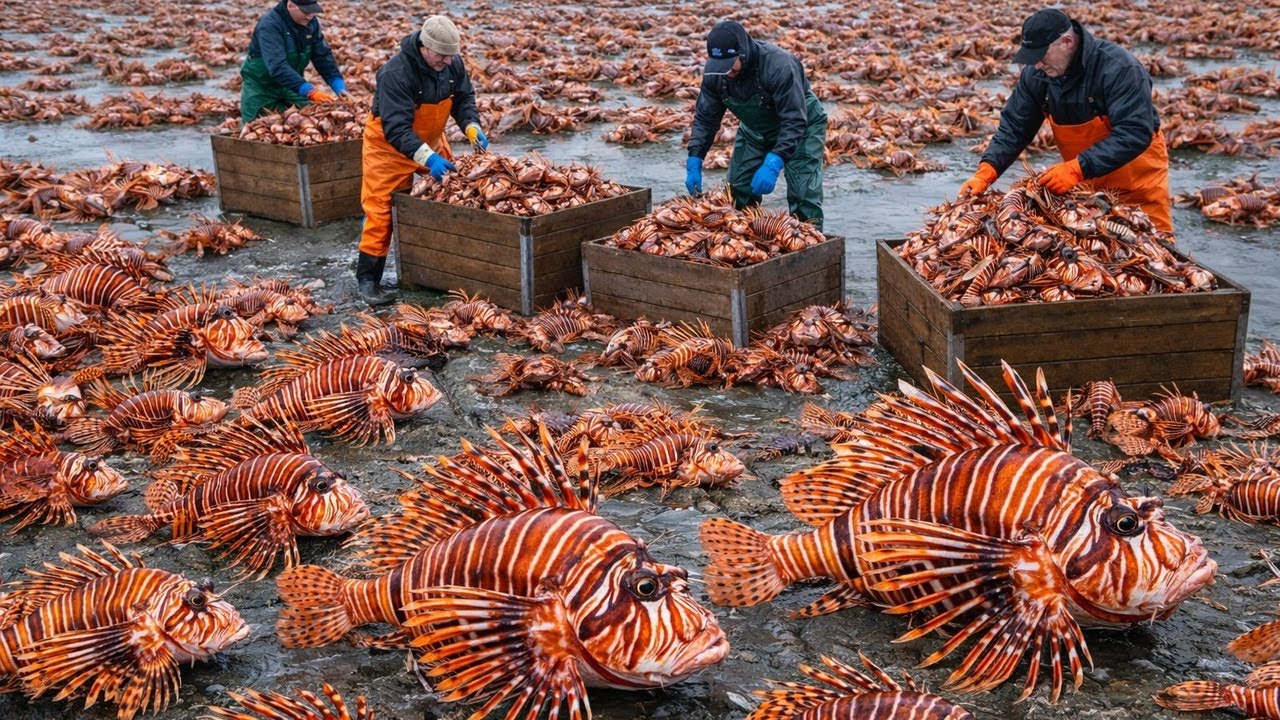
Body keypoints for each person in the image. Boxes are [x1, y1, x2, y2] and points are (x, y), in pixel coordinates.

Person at [960, 8, 1172, 232]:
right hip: (1084, 189)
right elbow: (1014, 129)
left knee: (1153, 247)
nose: (1037, 64)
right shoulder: (1037, 75)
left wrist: (1077, 169)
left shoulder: (1118, 68)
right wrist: (986, 171)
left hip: (1136, 184)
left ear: (1067, 41)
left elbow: (1134, 132)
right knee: (1093, 249)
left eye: (1041, 55)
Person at [354, 15, 486, 306]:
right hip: (388, 148)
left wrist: (471, 125)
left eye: (452, 56)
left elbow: (464, 99)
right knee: (381, 212)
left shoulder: (453, 64)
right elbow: (397, 129)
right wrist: (429, 158)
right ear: (425, 47)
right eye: (441, 55)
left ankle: (445, 265)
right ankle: (367, 280)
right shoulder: (396, 73)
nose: (448, 62)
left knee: (456, 193)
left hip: (433, 141)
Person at [685, 20, 828, 230]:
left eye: (729, 64)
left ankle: (811, 249)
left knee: (802, 194)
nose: (725, 71)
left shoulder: (778, 65)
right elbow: (706, 118)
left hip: (802, 126)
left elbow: (795, 120)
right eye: (719, 65)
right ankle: (745, 244)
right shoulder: (715, 74)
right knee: (737, 192)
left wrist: (774, 163)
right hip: (755, 130)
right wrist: (695, 157)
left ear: (742, 52)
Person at [240, 0, 346, 125]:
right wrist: (310, 91)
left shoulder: (311, 23)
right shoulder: (270, 25)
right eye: (306, 11)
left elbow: (322, 57)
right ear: (290, 5)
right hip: (262, 88)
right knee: (256, 129)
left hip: (292, 85)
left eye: (313, 11)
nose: (310, 16)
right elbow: (278, 67)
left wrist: (338, 85)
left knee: (316, 120)